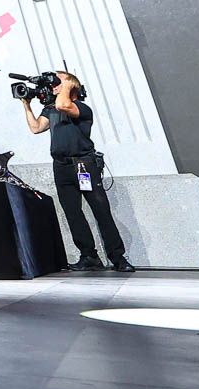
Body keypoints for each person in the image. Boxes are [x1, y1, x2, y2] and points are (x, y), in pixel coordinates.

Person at [22, 71, 135, 272]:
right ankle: (89, 256)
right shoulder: (51, 110)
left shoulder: (81, 108)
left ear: (70, 86)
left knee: (101, 211)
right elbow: (36, 128)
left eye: (58, 81)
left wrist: (67, 84)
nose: (54, 85)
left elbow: (64, 105)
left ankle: (118, 257)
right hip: (61, 166)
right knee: (73, 213)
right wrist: (26, 104)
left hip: (83, 164)